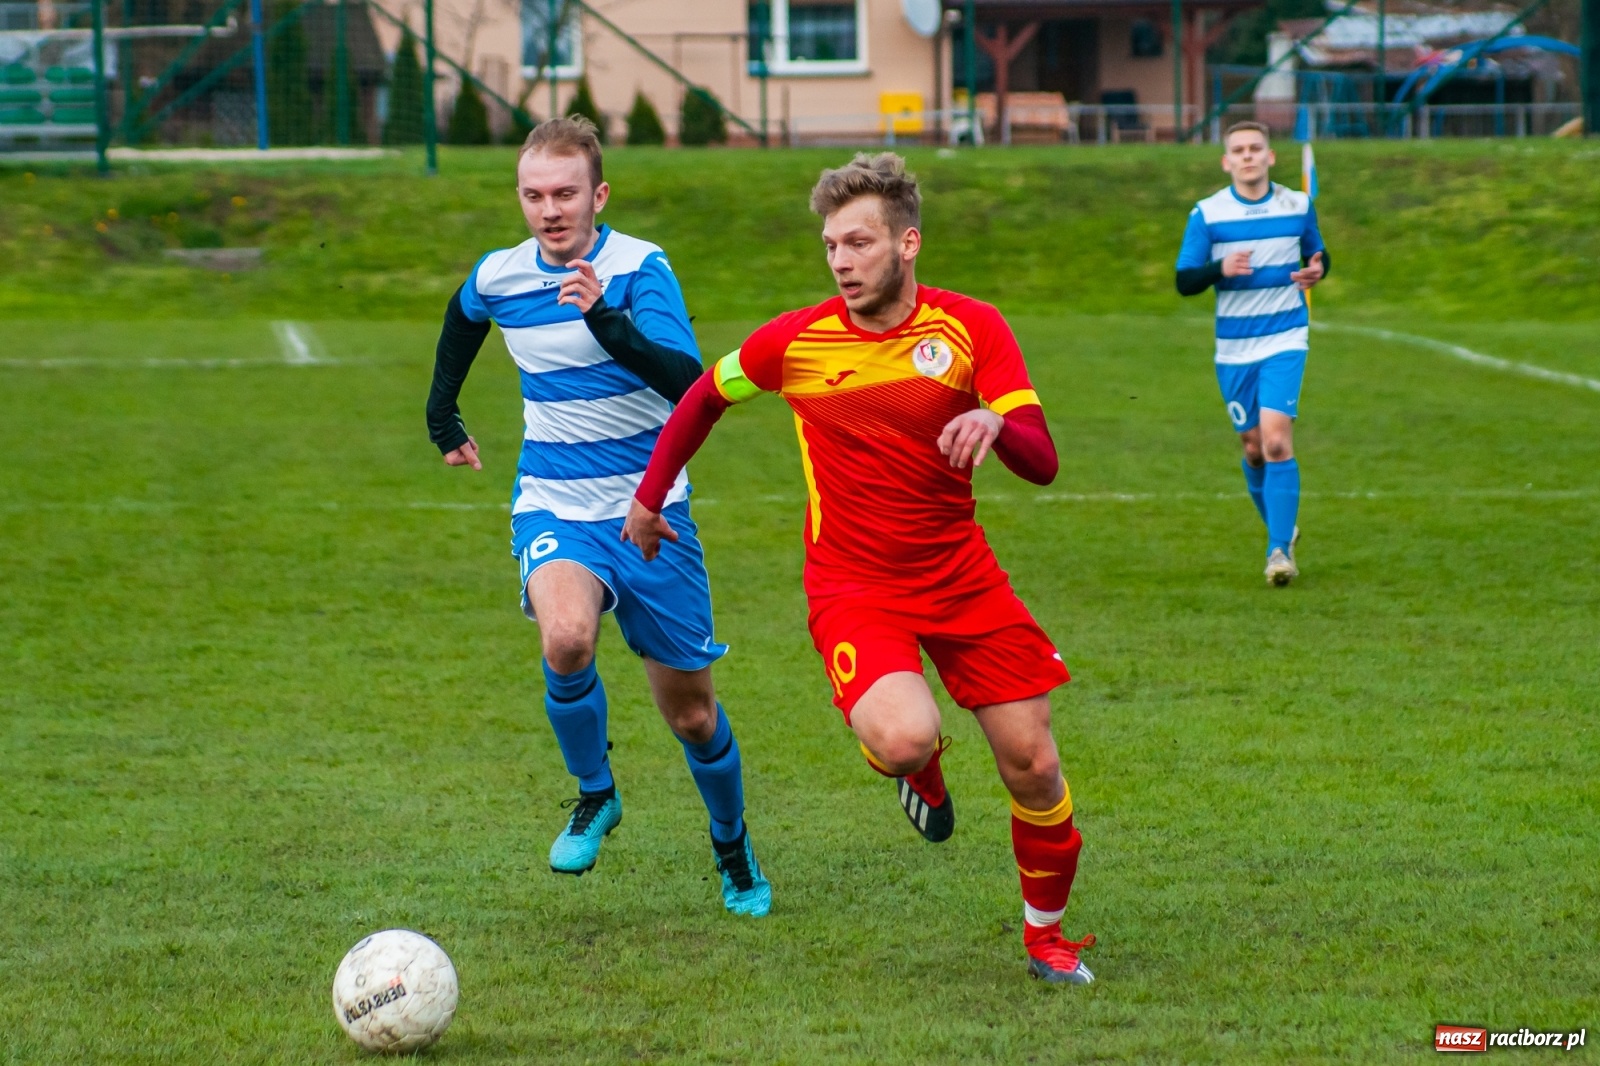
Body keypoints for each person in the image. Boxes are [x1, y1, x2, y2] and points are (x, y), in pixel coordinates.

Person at [622, 153, 1094, 984]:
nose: (841, 261)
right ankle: (924, 768)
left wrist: (993, 420)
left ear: (907, 244)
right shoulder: (795, 341)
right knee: (907, 739)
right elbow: (702, 397)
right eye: (832, 246)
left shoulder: (970, 329)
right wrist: (649, 497)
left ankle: (1046, 939)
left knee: (1036, 763)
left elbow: (1044, 461)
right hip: (853, 587)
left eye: (860, 242)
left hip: (961, 578)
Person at [423, 117, 770, 917]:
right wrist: (444, 413)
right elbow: (462, 317)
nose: (549, 210)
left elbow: (691, 382)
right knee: (567, 636)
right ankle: (595, 793)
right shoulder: (503, 274)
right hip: (554, 502)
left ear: (598, 194)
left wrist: (607, 321)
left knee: (691, 713)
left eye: (565, 193)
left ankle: (730, 842)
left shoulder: (640, 268)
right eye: (534, 194)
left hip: (651, 510)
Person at [1175, 120, 1329, 586]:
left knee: (1278, 440)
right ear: (1227, 161)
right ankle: (1285, 526)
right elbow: (1185, 281)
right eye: (1238, 150)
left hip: (1285, 337)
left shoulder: (1297, 204)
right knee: (1253, 448)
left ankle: (1279, 551)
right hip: (1234, 347)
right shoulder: (1207, 214)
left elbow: (1318, 254)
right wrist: (1219, 267)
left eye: (1255, 148)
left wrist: (1318, 270)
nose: (1247, 156)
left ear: (1270, 156)